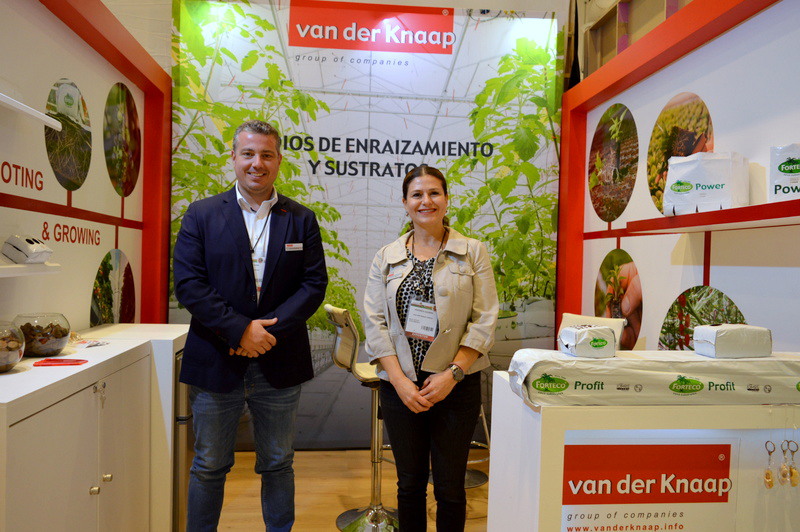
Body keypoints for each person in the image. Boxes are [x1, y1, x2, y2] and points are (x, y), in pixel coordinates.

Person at [173, 119, 327, 531]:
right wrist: (240, 330)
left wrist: (265, 334)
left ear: (278, 160)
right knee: (209, 464)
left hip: (279, 360)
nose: (257, 163)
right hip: (216, 358)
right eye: (248, 154)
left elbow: (313, 286)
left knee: (278, 462)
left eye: (266, 155)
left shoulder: (301, 219)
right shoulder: (202, 214)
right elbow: (189, 284)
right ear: (234, 157)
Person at [363, 164, 499, 531]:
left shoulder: (472, 252)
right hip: (401, 386)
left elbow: (485, 318)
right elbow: (375, 323)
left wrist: (453, 374)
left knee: (450, 487)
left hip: (456, 384)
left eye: (434, 193)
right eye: (417, 194)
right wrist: (400, 382)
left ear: (446, 199)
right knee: (409, 485)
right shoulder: (386, 256)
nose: (426, 201)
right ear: (405, 202)